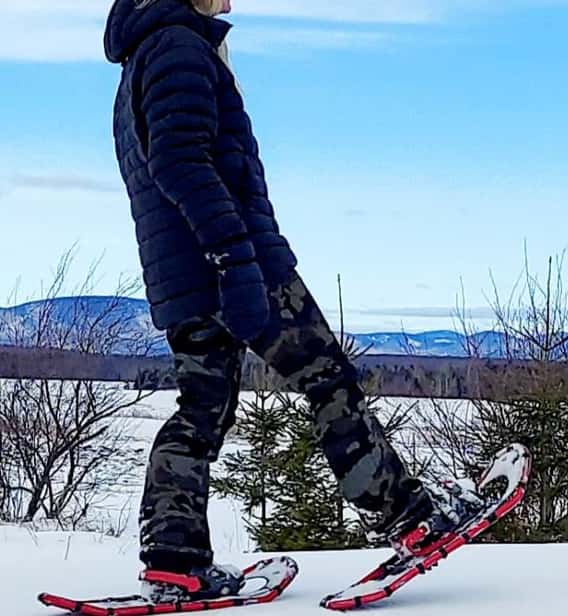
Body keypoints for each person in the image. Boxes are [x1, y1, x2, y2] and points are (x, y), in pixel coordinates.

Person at [102, 0, 481, 601]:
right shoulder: (177, 45)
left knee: (202, 409)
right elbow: (179, 161)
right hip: (237, 265)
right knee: (327, 378)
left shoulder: (139, 59)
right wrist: (234, 253)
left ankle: (175, 560)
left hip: (183, 278)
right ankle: (411, 518)